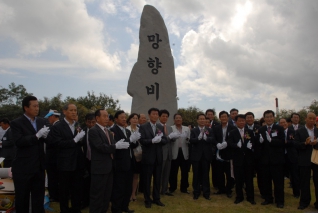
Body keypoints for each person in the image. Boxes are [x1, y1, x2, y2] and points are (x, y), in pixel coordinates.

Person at [11, 95, 50, 212]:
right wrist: (36, 136)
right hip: (23, 167)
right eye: (34, 106)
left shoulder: (42, 121)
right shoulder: (17, 123)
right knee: (22, 198)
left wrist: (46, 136)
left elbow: (47, 140)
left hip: (38, 166)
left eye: (38, 106)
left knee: (38, 197)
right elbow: (19, 141)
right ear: (26, 108)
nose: (37, 108)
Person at [50, 103, 86, 213]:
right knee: (64, 190)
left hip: (77, 162)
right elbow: (58, 143)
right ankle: (64, 210)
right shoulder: (58, 126)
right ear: (64, 112)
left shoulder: (77, 125)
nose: (74, 112)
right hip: (64, 162)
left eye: (75, 110)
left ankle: (76, 209)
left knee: (77, 189)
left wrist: (80, 140)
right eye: (71, 110)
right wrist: (74, 140)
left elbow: (80, 142)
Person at [110, 110, 140, 213]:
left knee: (128, 187)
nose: (124, 119)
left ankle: (125, 206)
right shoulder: (113, 131)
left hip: (130, 162)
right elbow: (117, 145)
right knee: (119, 187)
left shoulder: (127, 131)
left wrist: (135, 140)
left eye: (124, 117)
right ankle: (116, 208)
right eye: (121, 117)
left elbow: (131, 146)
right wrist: (130, 140)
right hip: (120, 163)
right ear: (116, 119)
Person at [139, 108, 167, 208]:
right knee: (147, 179)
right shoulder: (143, 127)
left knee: (157, 179)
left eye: (157, 114)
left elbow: (165, 140)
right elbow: (142, 140)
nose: (155, 116)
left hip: (158, 157)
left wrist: (159, 140)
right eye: (153, 114)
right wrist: (152, 141)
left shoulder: (160, 126)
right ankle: (147, 199)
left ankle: (157, 198)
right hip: (148, 157)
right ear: (149, 115)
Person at [257, 110, 285, 208]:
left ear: (274, 117)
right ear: (264, 118)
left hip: (277, 160)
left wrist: (272, 141)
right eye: (267, 117)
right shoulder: (261, 129)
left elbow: (282, 142)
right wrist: (259, 142)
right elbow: (258, 146)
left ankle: (280, 201)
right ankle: (268, 199)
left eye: (270, 116)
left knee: (278, 182)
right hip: (265, 161)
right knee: (266, 181)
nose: (269, 119)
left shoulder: (279, 128)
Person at [228, 114, 256, 205]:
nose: (241, 122)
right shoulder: (232, 132)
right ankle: (239, 197)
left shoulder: (249, 131)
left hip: (248, 159)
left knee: (249, 179)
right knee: (238, 180)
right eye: (239, 121)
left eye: (243, 121)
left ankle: (250, 197)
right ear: (236, 122)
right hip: (237, 159)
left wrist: (250, 146)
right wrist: (236, 145)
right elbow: (229, 144)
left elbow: (254, 143)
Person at [294, 112, 318, 210]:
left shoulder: (317, 130)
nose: (312, 120)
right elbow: (295, 144)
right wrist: (305, 143)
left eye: (313, 118)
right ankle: (304, 202)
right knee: (304, 182)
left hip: (316, 159)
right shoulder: (300, 131)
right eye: (310, 118)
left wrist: (316, 143)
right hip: (304, 159)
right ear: (306, 119)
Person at [190, 113, 215, 200]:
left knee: (206, 175)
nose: (202, 120)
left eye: (203, 119)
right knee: (196, 175)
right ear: (197, 120)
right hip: (196, 156)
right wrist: (198, 138)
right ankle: (196, 192)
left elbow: (213, 139)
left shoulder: (209, 130)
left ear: (205, 120)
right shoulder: (194, 130)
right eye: (200, 119)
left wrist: (206, 138)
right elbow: (191, 140)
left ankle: (206, 193)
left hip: (206, 156)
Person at [213, 111, 235, 198]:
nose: (223, 118)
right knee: (219, 172)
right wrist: (217, 144)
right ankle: (221, 189)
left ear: (228, 117)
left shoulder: (233, 128)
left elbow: (233, 138)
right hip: (219, 153)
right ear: (219, 118)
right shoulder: (216, 128)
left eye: (225, 116)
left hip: (229, 152)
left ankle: (228, 190)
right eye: (222, 117)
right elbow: (213, 138)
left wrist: (227, 143)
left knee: (229, 173)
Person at [158, 109, 180, 196]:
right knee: (159, 173)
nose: (165, 118)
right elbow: (160, 140)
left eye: (166, 116)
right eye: (163, 116)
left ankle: (164, 190)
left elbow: (172, 140)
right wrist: (169, 137)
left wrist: (175, 137)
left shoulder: (170, 128)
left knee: (167, 173)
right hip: (161, 153)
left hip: (169, 154)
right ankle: (157, 190)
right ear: (159, 117)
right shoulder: (157, 127)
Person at [169, 113, 190, 194]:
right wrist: (174, 138)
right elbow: (169, 140)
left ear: (182, 120)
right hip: (175, 151)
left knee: (185, 171)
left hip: (184, 151)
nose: (178, 119)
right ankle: (172, 188)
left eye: (180, 118)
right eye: (176, 118)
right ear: (174, 120)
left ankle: (184, 188)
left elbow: (189, 140)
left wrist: (187, 138)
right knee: (173, 171)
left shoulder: (186, 129)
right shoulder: (171, 128)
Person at [279, 118, 300, 198]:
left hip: (291, 156)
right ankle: (281, 193)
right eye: (281, 123)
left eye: (284, 122)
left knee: (294, 175)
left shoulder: (292, 131)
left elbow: (293, 142)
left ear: (287, 123)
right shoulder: (276, 132)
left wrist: (285, 142)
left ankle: (296, 193)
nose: (283, 124)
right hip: (281, 157)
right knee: (281, 176)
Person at [44, 109, 61, 202]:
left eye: (49, 117)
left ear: (54, 116)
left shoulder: (56, 127)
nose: (48, 119)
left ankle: (54, 195)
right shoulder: (56, 126)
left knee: (53, 177)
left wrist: (45, 137)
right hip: (54, 158)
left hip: (53, 158)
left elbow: (54, 142)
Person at [81, 113, 96, 209]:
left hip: (96, 161)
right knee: (86, 182)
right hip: (86, 160)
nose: (91, 124)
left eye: (93, 122)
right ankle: (85, 201)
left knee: (95, 183)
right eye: (89, 122)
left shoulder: (99, 131)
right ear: (86, 122)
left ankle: (94, 202)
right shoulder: (82, 131)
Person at [127, 113, 142, 201]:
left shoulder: (140, 130)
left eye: (136, 118)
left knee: (136, 175)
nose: (135, 120)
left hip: (138, 154)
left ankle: (133, 193)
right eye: (133, 118)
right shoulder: (126, 129)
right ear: (130, 120)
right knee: (129, 175)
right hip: (129, 154)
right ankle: (128, 194)